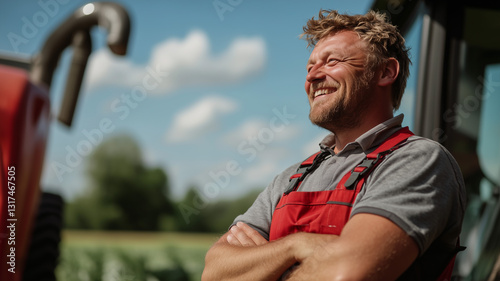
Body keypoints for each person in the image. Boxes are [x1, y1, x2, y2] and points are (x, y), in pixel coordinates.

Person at [202, 9, 466, 281]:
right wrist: (296, 246)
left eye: (331, 62)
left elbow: (347, 274)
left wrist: (265, 264)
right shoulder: (291, 178)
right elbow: (214, 274)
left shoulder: (417, 160)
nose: (312, 77)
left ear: (386, 72)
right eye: (309, 68)